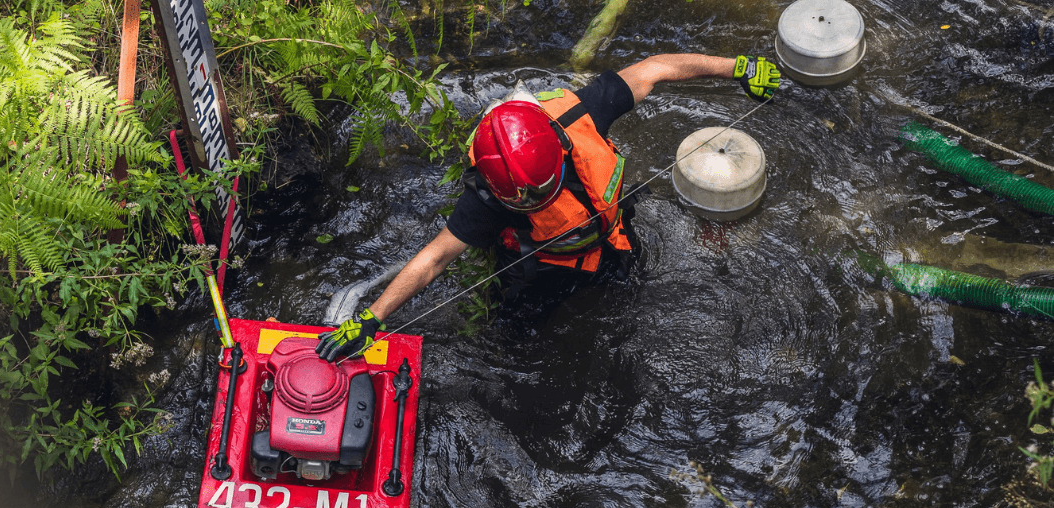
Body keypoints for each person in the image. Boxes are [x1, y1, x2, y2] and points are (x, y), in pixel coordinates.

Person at [315, 54, 781, 362]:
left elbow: (656, 68)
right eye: (523, 199)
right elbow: (435, 257)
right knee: (518, 344)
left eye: (539, 192)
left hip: (612, 237)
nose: (534, 202)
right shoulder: (486, 196)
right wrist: (370, 319)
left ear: (557, 148)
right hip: (542, 268)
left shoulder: (584, 111)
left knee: (631, 298)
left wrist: (737, 66)